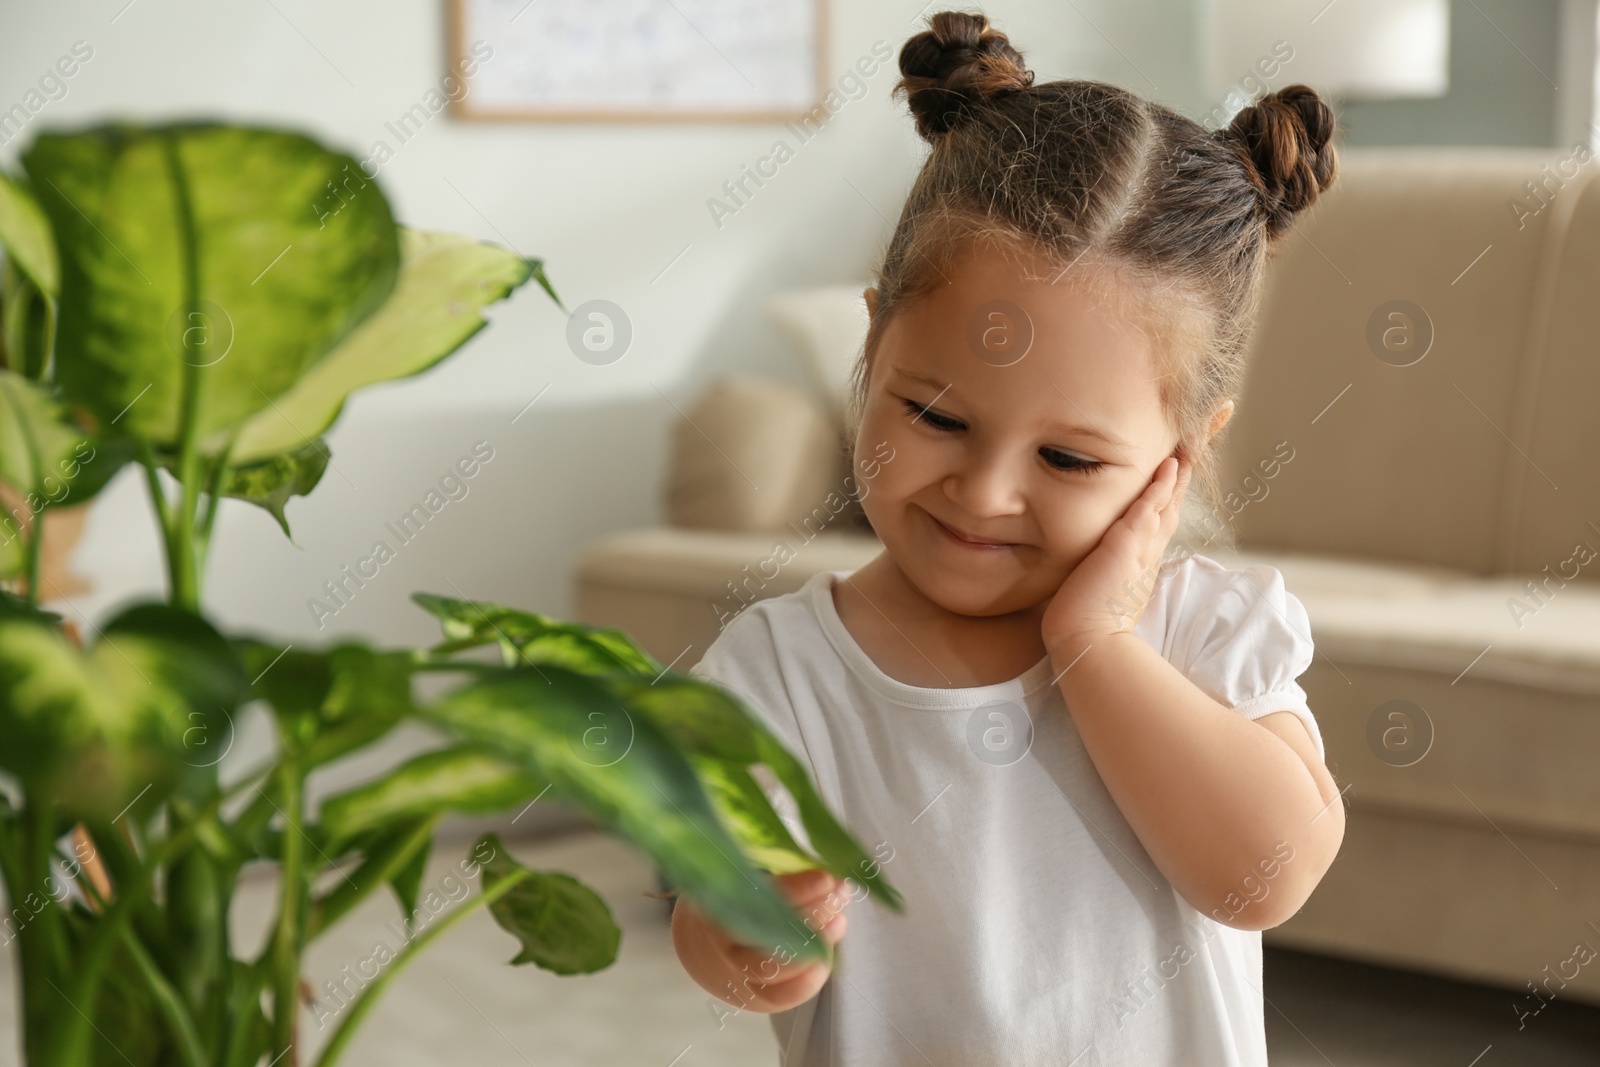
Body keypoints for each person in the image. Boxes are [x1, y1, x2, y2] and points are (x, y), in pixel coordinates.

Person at [669, 9, 1346, 1065]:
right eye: (934, 415)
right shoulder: (782, 669)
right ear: (873, 339)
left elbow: (1264, 875)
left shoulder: (1210, 629)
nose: (982, 493)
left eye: (1067, 460)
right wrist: (753, 936)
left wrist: (1095, 641)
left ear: (1182, 450)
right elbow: (714, 943)